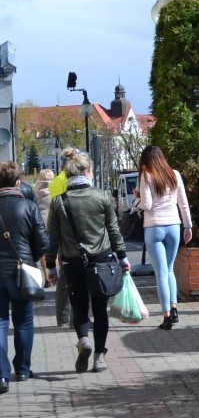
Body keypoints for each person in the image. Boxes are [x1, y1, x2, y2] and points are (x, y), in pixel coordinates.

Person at [46, 149, 130, 373]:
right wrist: (122, 257)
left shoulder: (58, 202)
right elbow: (113, 231)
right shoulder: (101, 196)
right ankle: (100, 357)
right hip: (101, 261)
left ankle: (84, 341)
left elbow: (52, 238)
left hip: (72, 262)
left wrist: (50, 266)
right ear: (87, 171)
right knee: (100, 310)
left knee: (79, 307)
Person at [0, 162, 49, 393]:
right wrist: (31, 258)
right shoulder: (28, 206)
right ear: (18, 182)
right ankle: (22, 369)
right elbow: (44, 241)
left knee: (0, 322)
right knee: (24, 320)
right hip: (22, 273)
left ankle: (1, 376)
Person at [135, 145, 193, 331]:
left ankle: (166, 315)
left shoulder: (146, 175)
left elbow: (148, 205)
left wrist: (136, 200)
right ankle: (174, 308)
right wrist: (188, 225)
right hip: (174, 226)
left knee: (160, 272)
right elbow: (183, 203)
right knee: (169, 269)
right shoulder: (174, 174)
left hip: (154, 227)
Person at [44, 170, 72, 327]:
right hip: (76, 235)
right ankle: (77, 319)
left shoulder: (55, 181)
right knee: (80, 283)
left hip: (63, 235)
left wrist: (50, 264)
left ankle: (62, 318)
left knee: (64, 280)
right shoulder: (68, 180)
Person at [33, 170, 54, 289]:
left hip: (39, 223)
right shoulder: (55, 191)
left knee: (42, 252)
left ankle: (46, 277)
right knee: (54, 250)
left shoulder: (34, 190)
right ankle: (52, 272)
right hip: (52, 223)